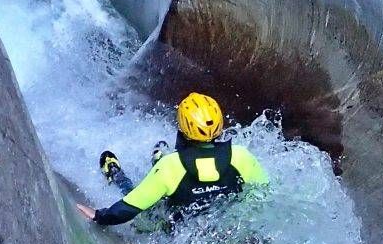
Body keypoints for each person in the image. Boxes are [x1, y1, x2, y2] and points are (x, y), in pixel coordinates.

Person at [76, 93, 268, 227]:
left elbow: (131, 206)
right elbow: (265, 194)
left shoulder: (171, 167)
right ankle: (157, 157)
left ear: (183, 127)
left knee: (143, 213)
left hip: (171, 223)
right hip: (213, 224)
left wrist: (100, 216)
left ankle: (117, 175)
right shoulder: (242, 157)